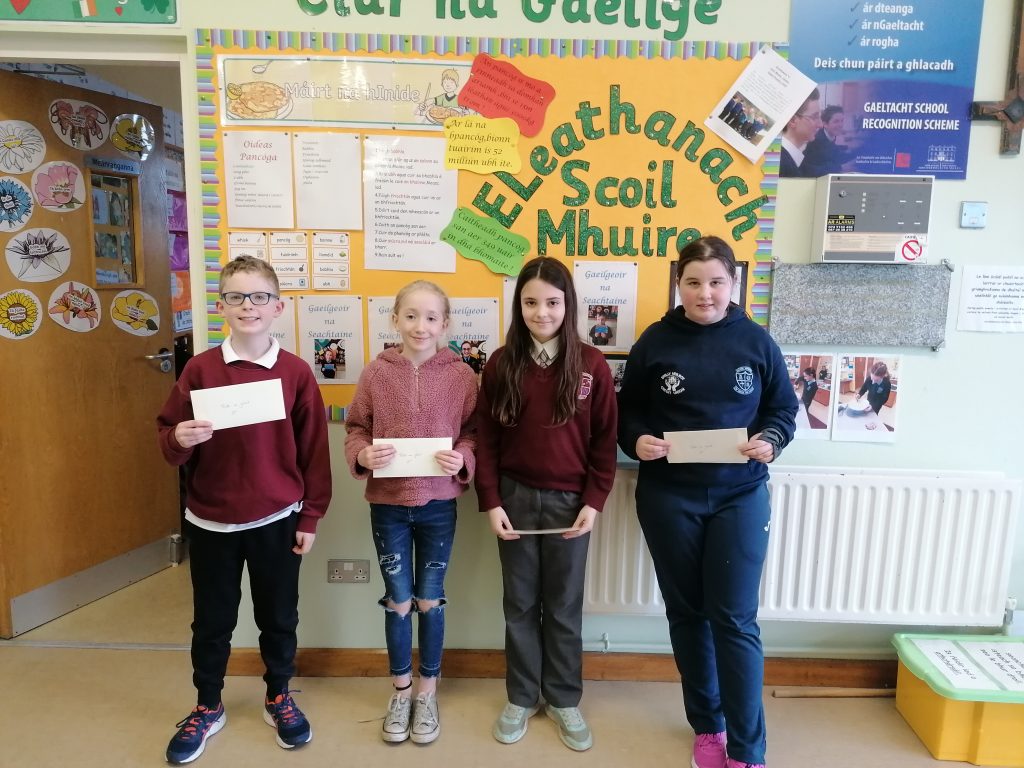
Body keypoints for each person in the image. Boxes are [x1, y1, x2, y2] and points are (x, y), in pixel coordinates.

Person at [617, 236, 798, 768]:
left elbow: (783, 410)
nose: (705, 293)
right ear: (679, 284)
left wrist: (771, 440)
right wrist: (637, 441)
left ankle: (747, 749)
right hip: (669, 498)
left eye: (717, 282)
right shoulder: (654, 342)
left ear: (733, 283)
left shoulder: (757, 342)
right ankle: (707, 727)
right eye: (694, 282)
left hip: (739, 496)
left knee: (735, 619)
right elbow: (627, 414)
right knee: (688, 614)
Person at [157, 255, 331, 765]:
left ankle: (278, 695)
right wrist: (179, 438)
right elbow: (168, 436)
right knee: (212, 620)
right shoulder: (200, 369)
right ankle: (207, 704)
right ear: (221, 306)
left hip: (277, 518)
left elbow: (314, 452)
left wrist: (310, 516)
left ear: (278, 306)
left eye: (258, 296)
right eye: (236, 296)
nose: (248, 306)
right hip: (211, 519)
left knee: (278, 615)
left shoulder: (295, 372)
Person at [475, 257, 618, 753]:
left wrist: (594, 501)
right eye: (531, 302)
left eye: (553, 302)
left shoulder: (591, 365)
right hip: (514, 498)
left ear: (568, 304)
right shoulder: (501, 363)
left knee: (563, 605)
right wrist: (491, 501)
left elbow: (604, 442)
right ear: (519, 306)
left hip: (571, 504)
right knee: (519, 604)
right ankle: (521, 696)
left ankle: (563, 698)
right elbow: (486, 440)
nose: (542, 313)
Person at [344, 280, 477, 746]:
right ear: (395, 319)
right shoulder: (375, 374)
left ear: (446, 323)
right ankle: (401, 691)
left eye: (432, 317)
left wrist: (464, 457)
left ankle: (427, 691)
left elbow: (474, 433)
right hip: (389, 506)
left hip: (439, 506)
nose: (421, 326)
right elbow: (355, 427)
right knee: (398, 600)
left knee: (429, 600)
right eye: (411, 315)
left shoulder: (462, 376)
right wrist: (362, 455)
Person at [779, 88, 821, 178]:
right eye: (814, 117)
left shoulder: (789, 159)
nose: (820, 125)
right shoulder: (780, 165)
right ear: (793, 120)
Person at [802, 105, 853, 176]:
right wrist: (841, 167)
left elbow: (833, 153)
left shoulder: (829, 135)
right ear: (825, 124)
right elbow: (812, 170)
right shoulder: (817, 141)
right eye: (836, 121)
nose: (841, 125)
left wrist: (855, 153)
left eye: (842, 121)